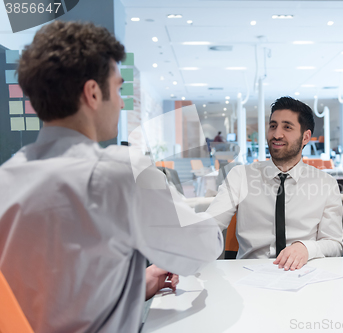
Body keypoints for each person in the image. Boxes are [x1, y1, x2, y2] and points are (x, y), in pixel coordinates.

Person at [0, 21, 222, 333]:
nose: (120, 102)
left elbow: (48, 292)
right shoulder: (117, 174)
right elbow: (205, 246)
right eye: (117, 88)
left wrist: (135, 285)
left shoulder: (6, 179)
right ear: (92, 93)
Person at [207, 96, 343, 271]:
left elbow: (334, 244)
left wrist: (306, 248)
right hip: (249, 276)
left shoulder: (326, 184)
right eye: (273, 126)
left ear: (305, 137)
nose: (276, 134)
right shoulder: (240, 176)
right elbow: (210, 225)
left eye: (287, 127)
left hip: (303, 273)